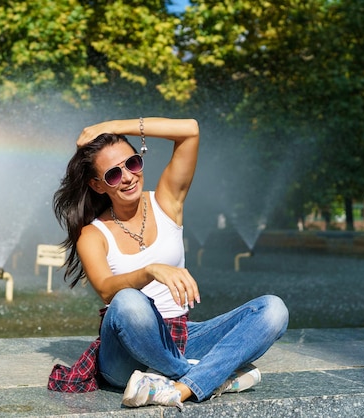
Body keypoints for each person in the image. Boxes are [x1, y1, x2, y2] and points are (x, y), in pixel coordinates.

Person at [49, 117, 289, 409]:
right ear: (98, 186)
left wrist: (112, 127)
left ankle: (178, 385)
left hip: (179, 337)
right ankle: (208, 377)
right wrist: (150, 271)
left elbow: (190, 131)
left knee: (273, 309)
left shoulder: (166, 202)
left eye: (132, 163)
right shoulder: (92, 234)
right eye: (113, 174)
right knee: (127, 301)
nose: (127, 177)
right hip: (123, 354)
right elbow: (106, 289)